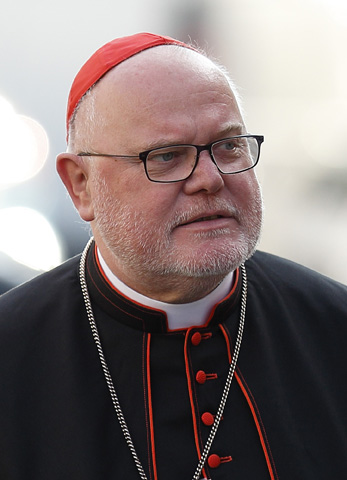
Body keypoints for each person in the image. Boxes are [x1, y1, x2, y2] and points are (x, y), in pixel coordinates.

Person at [0, 32, 346, 480]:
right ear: (81, 185)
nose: (210, 178)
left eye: (228, 145)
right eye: (166, 156)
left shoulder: (334, 326)